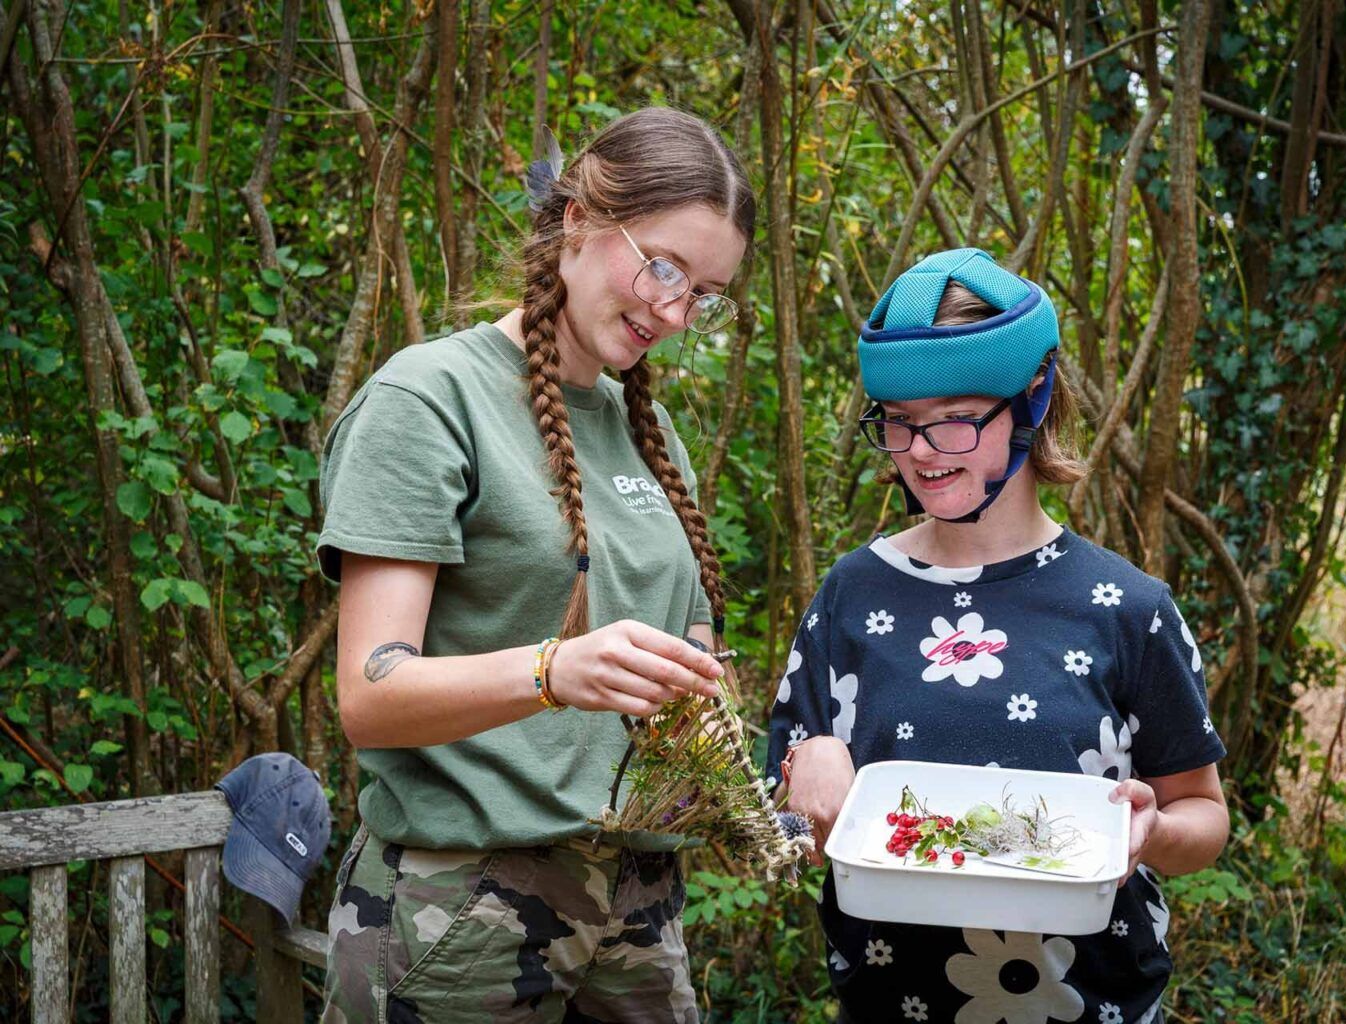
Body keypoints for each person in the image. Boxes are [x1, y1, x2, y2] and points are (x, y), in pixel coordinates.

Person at [316, 107, 752, 1024]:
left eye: (704, 294)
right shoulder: (428, 398)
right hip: (461, 900)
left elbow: (676, 630)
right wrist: (558, 672)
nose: (674, 312)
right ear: (580, 222)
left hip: (640, 899)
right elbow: (369, 694)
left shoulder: (648, 428)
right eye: (663, 267)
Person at [766, 248, 1229, 1024]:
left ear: (1033, 399)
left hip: (1089, 1006)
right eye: (900, 425)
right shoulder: (851, 595)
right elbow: (780, 828)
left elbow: (1204, 817)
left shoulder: (1126, 607)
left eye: (951, 421)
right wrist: (798, 770)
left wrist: (1152, 834)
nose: (918, 452)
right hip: (889, 1006)